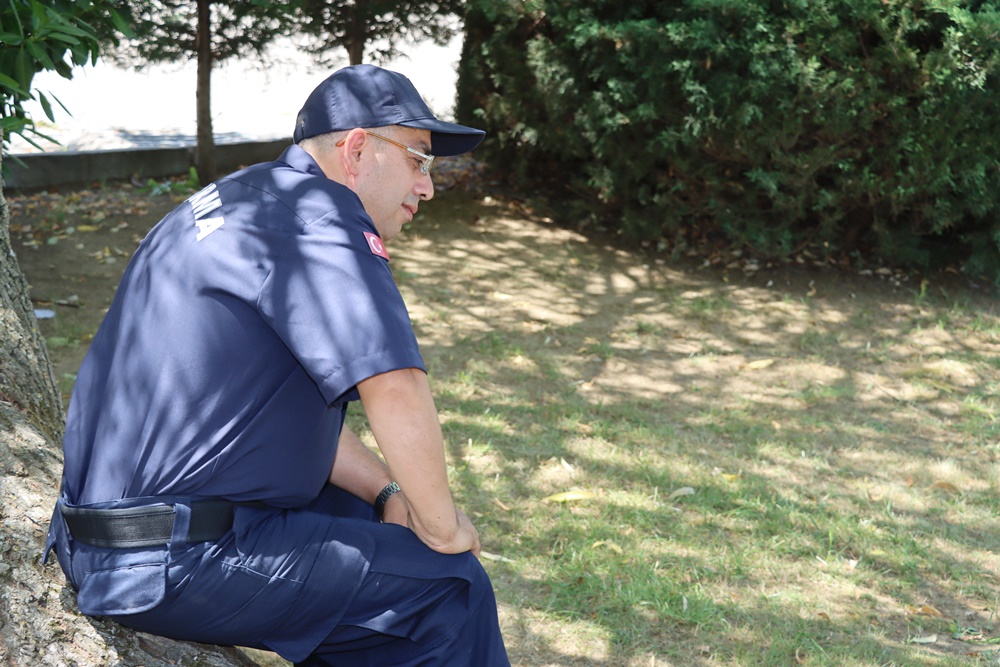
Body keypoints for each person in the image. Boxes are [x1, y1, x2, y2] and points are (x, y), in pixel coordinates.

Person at [43, 64, 510, 666]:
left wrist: (389, 492)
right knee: (449, 589)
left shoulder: (247, 196)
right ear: (357, 150)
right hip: (165, 557)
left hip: (105, 533)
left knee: (379, 528)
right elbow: (393, 386)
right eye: (419, 160)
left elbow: (279, 411)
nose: (428, 187)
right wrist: (444, 531)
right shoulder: (323, 220)